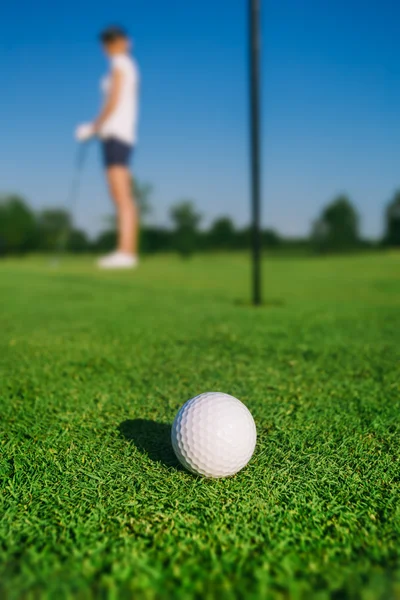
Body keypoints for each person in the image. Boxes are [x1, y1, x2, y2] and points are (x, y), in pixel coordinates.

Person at [76, 26, 140, 269]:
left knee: (121, 194)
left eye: (114, 40)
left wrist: (93, 127)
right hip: (117, 134)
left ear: (125, 41)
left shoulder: (120, 64)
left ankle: (126, 253)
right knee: (122, 194)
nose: (110, 46)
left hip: (116, 134)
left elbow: (113, 100)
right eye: (107, 42)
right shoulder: (124, 64)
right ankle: (127, 250)